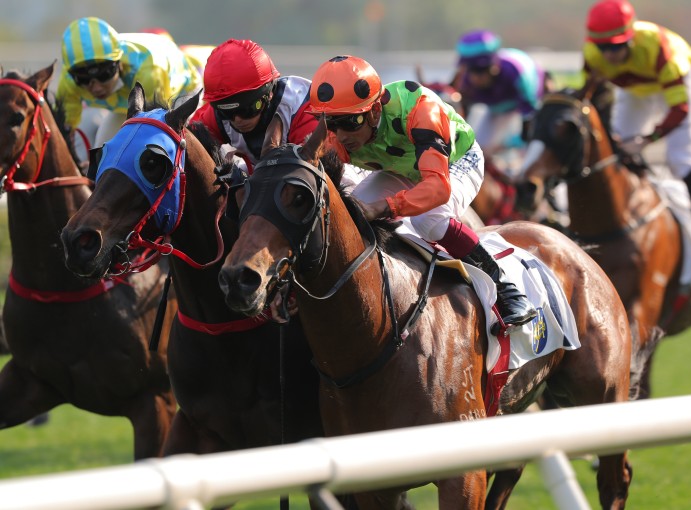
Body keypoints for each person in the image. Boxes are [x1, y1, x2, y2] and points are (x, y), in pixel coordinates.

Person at [308, 55, 537, 334]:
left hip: (455, 161)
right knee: (351, 212)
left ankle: (506, 290)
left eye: (350, 123)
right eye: (331, 124)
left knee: (429, 220)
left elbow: (437, 188)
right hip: (401, 167)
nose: (340, 135)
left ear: (375, 112)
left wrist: (385, 207)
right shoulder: (335, 130)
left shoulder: (420, 111)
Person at [582, 0, 691, 264]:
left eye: (616, 46)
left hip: (670, 85)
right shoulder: (591, 55)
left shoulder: (662, 52)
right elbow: (590, 97)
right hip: (635, 92)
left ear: (630, 36)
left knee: (679, 159)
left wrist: (647, 140)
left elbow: (678, 109)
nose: (608, 54)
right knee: (616, 151)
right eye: (602, 47)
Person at [57, 17, 205, 154]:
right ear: (72, 74)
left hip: (179, 90)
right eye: (83, 79)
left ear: (118, 64)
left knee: (169, 145)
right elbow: (64, 131)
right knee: (101, 151)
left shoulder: (149, 71)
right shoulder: (68, 82)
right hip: (130, 98)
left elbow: (157, 125)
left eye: (104, 75)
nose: (96, 87)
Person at [189, 39, 319, 170]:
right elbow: (188, 147)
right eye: (227, 113)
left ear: (269, 93)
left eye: (247, 109)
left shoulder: (304, 109)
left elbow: (311, 171)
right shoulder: (217, 114)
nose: (238, 120)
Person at [453, 30, 551, 166]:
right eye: (471, 70)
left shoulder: (515, 73)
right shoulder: (466, 81)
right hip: (496, 109)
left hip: (529, 104)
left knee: (525, 156)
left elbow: (530, 122)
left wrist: (505, 145)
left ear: (494, 64)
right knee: (476, 151)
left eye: (481, 70)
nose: (475, 77)